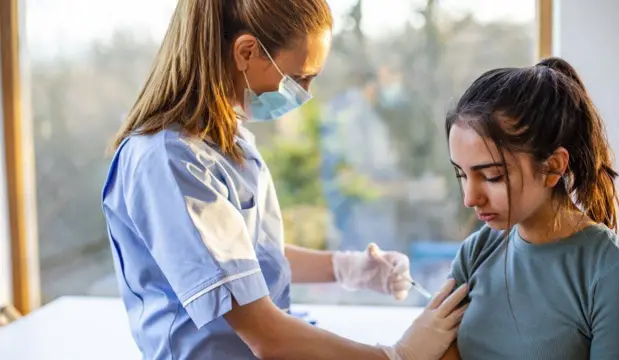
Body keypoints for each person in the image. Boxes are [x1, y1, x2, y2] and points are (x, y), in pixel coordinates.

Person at [101, 1, 468, 359]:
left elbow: (245, 262)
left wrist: (346, 267)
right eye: (298, 78)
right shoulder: (168, 160)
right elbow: (267, 336)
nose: (306, 95)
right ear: (246, 52)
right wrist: (396, 355)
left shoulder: (229, 139)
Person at [441, 57, 619, 360]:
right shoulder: (475, 253)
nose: (470, 198)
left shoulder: (614, 276)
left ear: (552, 167)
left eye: (492, 176)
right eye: (462, 174)